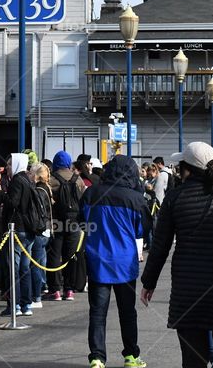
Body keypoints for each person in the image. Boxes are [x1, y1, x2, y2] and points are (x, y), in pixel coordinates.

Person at [142, 145, 213, 368]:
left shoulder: (175, 197)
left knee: (193, 358)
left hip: (188, 290)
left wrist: (149, 281)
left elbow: (160, 245)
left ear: (186, 169)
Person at [80, 155, 148, 368]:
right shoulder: (136, 199)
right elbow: (142, 230)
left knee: (97, 313)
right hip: (125, 262)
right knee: (127, 311)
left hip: (98, 259)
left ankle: (98, 357)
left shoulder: (91, 193)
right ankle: (131, 355)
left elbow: (82, 223)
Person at [1, 152, 37, 317]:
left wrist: (2, 194)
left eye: (9, 164)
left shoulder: (16, 181)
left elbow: (12, 203)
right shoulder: (29, 180)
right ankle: (26, 304)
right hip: (29, 229)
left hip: (17, 229)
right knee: (25, 268)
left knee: (13, 268)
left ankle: (14, 304)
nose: (7, 167)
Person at [47, 150, 85, 302]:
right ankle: (69, 290)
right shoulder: (78, 180)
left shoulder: (52, 180)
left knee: (54, 255)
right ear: (69, 163)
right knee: (70, 256)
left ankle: (55, 290)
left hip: (56, 222)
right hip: (74, 222)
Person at [30, 162, 54, 309]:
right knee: (41, 262)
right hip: (47, 229)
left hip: (40, 229)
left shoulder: (38, 189)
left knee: (36, 264)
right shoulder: (47, 188)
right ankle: (42, 286)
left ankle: (36, 296)